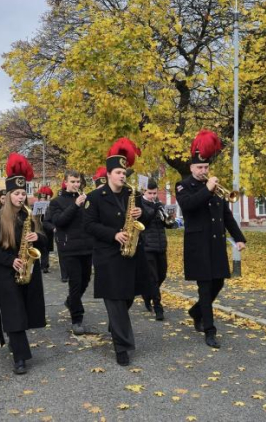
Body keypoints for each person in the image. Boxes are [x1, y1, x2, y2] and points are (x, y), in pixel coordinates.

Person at [83, 138, 152, 366]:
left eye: (125, 172)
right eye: (119, 172)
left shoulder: (132, 194)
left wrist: (142, 213)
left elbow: (149, 218)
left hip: (131, 255)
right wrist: (113, 234)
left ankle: (115, 325)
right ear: (109, 174)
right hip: (107, 256)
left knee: (127, 297)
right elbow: (89, 225)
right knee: (115, 300)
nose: (123, 176)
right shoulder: (95, 198)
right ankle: (121, 347)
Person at [175, 129, 246, 349]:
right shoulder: (183, 186)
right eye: (199, 167)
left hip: (215, 244)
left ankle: (196, 311)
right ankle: (209, 329)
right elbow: (189, 205)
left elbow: (226, 215)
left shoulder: (215, 189)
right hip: (197, 245)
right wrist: (207, 188)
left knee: (219, 282)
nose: (203, 171)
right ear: (191, 168)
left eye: (206, 167)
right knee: (204, 288)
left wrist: (239, 237)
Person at [0, 153, 46, 375]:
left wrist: (38, 238)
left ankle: (15, 340)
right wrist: (11, 260)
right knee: (14, 312)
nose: (21, 197)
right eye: (17, 194)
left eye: (23, 193)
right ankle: (20, 357)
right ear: (8, 195)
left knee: (25, 311)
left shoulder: (30, 216)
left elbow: (46, 240)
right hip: (6, 272)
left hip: (28, 270)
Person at [48, 170, 92, 335]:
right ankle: (77, 319)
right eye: (72, 181)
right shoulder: (56, 202)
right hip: (69, 249)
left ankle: (70, 302)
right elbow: (59, 222)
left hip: (87, 247)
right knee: (75, 283)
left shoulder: (85, 200)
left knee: (86, 280)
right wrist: (75, 205)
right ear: (65, 182)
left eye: (78, 182)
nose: (76, 184)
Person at [140, 179, 176, 321]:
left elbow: (166, 225)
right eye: (150, 193)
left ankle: (147, 294)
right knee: (154, 278)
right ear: (144, 192)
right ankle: (158, 308)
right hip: (147, 246)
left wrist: (170, 220)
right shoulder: (140, 204)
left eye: (155, 193)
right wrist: (155, 208)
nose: (153, 196)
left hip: (161, 246)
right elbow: (144, 220)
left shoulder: (159, 205)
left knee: (162, 275)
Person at [36, 186, 54, 273]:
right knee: (39, 248)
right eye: (41, 197)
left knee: (46, 249)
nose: (43, 199)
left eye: (45, 197)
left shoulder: (51, 207)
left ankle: (44, 265)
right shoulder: (36, 206)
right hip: (38, 229)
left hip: (47, 231)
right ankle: (39, 264)